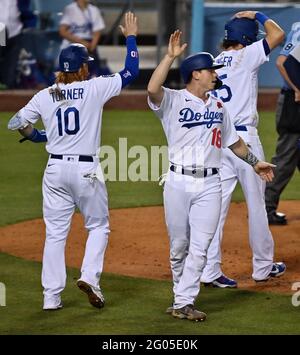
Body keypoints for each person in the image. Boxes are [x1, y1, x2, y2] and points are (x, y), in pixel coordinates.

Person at [7, 12, 139, 310]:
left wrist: (38, 136)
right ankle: (89, 277)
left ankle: (51, 298)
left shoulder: (45, 94)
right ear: (82, 68)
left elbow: (16, 122)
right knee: (98, 226)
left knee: (55, 234)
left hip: (54, 170)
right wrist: (130, 36)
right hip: (84, 169)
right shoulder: (94, 87)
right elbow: (131, 72)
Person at [147, 30, 276, 321]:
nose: (215, 75)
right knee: (179, 247)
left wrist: (255, 162)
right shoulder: (173, 100)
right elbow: (153, 89)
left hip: (210, 184)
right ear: (195, 75)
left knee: (201, 246)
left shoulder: (219, 106)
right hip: (178, 182)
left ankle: (184, 302)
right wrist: (168, 58)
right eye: (210, 71)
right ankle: (179, 292)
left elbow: (236, 143)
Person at [200, 11, 286, 289]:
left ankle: (209, 270)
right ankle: (263, 267)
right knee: (257, 205)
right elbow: (278, 35)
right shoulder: (246, 55)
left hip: (216, 140)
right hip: (244, 140)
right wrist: (259, 14)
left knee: (216, 207)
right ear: (247, 39)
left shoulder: (212, 64)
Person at [265, 22, 300, 225]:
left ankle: (267, 206)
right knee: (286, 159)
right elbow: (282, 62)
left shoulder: (296, 26)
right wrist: (298, 88)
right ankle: (266, 208)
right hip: (293, 105)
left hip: (291, 101)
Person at [59, 0, 108, 78]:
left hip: (89, 43)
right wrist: (81, 42)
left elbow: (97, 32)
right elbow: (63, 31)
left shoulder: (94, 10)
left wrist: (92, 46)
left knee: (96, 69)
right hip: (73, 43)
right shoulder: (70, 9)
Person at [0, 0, 36, 88]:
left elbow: (26, 9)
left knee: (11, 64)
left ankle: (8, 88)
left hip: (16, 30)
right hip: (1, 30)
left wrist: (29, 25)